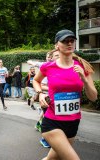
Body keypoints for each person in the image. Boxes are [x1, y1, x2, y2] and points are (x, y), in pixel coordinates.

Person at [33, 29, 97, 160]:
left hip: (73, 122)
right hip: (52, 122)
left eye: (72, 41)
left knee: (51, 159)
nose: (69, 43)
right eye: (65, 41)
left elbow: (93, 97)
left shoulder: (82, 67)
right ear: (57, 45)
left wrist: (84, 80)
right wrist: (40, 94)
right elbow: (36, 80)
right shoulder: (48, 66)